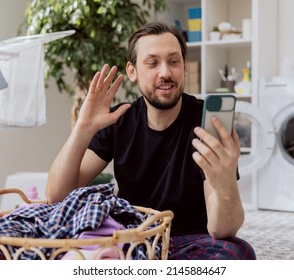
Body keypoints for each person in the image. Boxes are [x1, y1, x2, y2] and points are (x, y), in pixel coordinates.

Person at [46, 21, 256, 260]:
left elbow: (222, 229)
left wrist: (226, 181)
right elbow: (57, 196)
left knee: (238, 253)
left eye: (173, 61)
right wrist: (83, 127)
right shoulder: (118, 119)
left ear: (185, 67)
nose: (165, 72)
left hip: (189, 241)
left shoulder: (207, 124)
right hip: (133, 237)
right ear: (132, 71)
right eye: (152, 63)